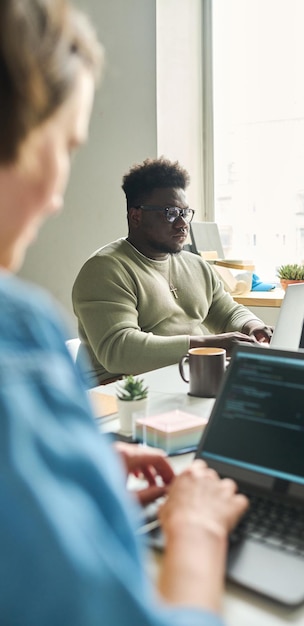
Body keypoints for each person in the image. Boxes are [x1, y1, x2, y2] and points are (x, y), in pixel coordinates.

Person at [0, 1, 248, 624]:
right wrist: (194, 527)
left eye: (185, 213)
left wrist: (243, 327)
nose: (57, 197)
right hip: (150, 409)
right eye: (64, 144)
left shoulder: (194, 263)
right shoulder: (24, 330)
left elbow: (227, 306)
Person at [72, 156, 273, 385]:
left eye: (184, 213)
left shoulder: (195, 265)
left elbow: (228, 313)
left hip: (183, 380)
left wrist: (254, 327)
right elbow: (120, 351)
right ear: (136, 215)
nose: (182, 223)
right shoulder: (105, 269)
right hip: (123, 393)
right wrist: (210, 345)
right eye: (170, 212)